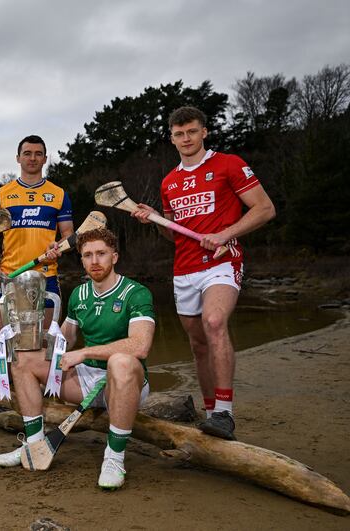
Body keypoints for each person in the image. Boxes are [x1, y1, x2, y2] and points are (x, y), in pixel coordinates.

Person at [133, 106, 275, 440]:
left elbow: (265, 208)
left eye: (192, 131)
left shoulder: (229, 164)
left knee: (214, 322)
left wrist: (226, 234)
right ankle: (211, 414)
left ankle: (225, 413)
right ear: (171, 137)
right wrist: (156, 219)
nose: (186, 138)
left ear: (204, 131)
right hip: (184, 269)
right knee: (198, 345)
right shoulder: (169, 182)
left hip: (222, 262)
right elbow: (173, 233)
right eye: (179, 134)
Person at [0, 228, 155, 490]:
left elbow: (140, 345)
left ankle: (114, 458)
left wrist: (85, 353)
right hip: (87, 380)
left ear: (115, 256)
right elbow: (64, 341)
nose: (94, 261)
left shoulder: (136, 293)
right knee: (23, 358)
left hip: (126, 382)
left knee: (121, 361)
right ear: (81, 260)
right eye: (87, 255)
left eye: (101, 253)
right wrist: (25, 332)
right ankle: (33, 445)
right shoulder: (79, 294)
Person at [0, 135, 74, 346]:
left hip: (45, 275)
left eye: (38, 154)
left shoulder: (58, 194)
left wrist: (57, 247)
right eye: (27, 153)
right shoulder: (2, 195)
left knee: (44, 337)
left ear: (44, 159)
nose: (32, 158)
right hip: (9, 276)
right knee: (2, 335)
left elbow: (68, 235)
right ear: (18, 158)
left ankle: (40, 379)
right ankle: (3, 380)